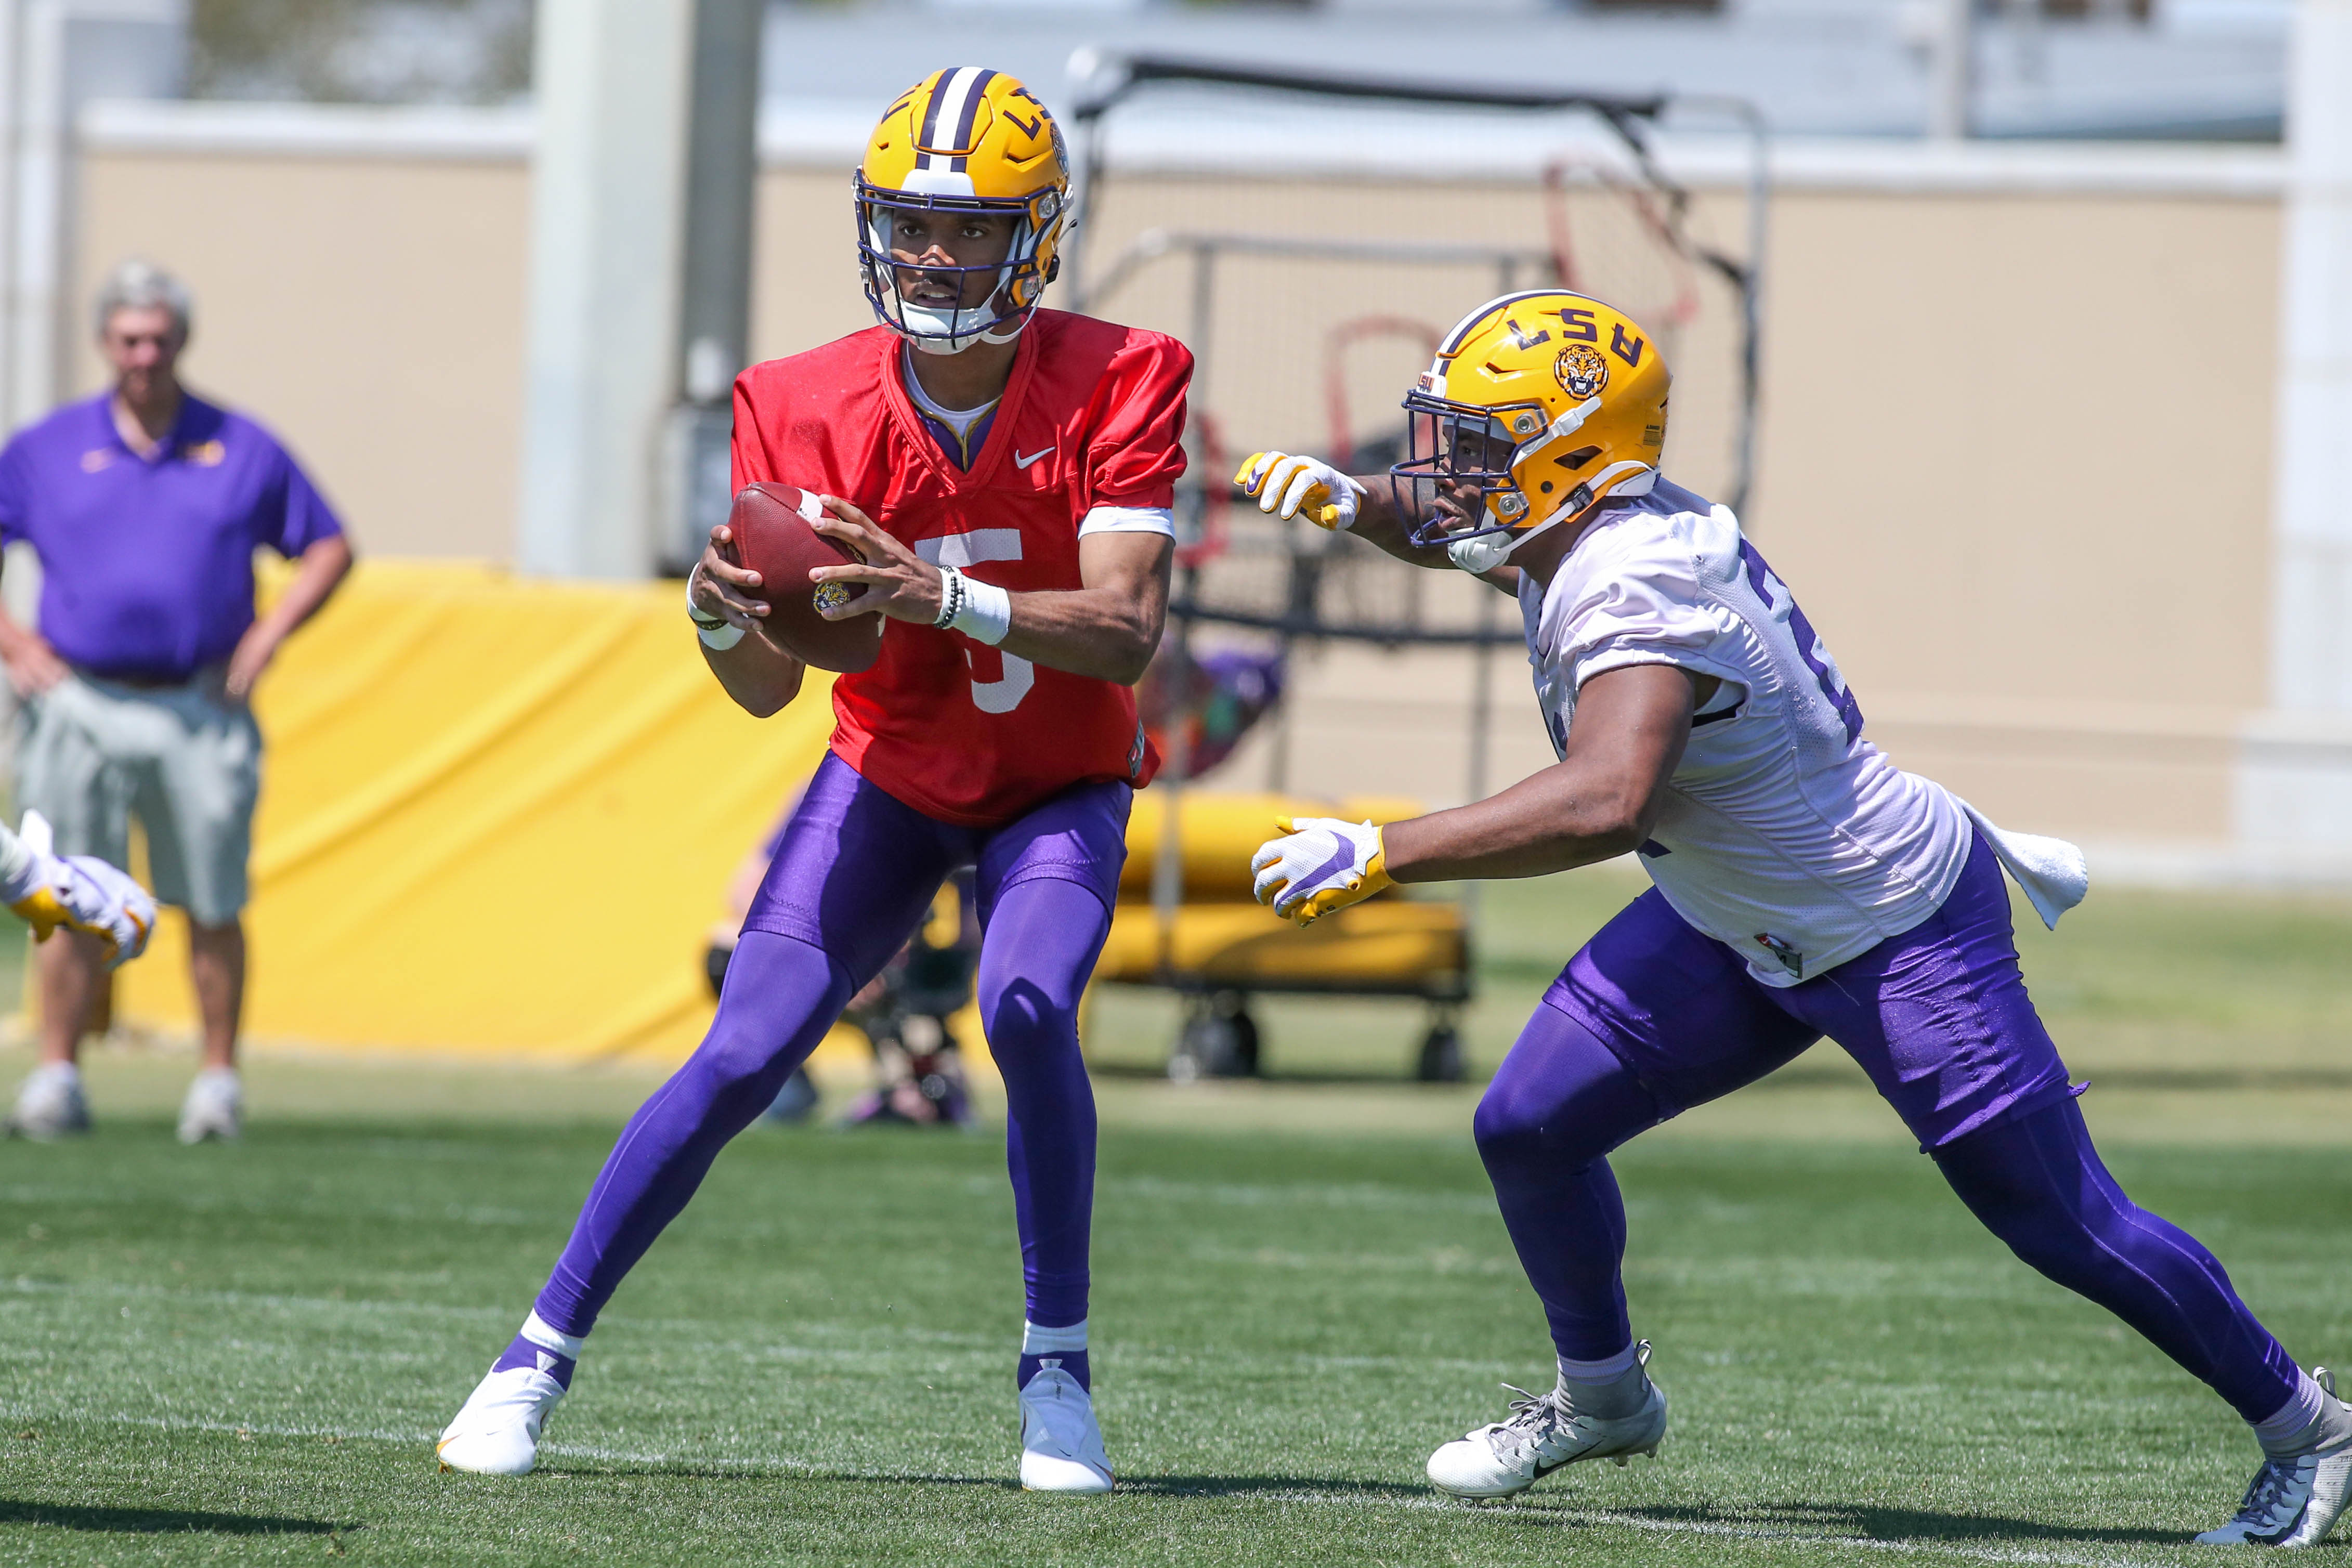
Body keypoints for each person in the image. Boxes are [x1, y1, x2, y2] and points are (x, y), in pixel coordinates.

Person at [1237, 289, 2351, 1548]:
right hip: (1735, 915)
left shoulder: (1635, 579)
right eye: (1442, 440)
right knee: (1531, 1125)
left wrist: (1381, 849)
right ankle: (1603, 1397)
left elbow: (1607, 798)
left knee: (2062, 1220)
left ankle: (2311, 1427)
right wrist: (1353, 500)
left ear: (1573, 460)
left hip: (1893, 927)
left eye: (1473, 446)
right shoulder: (1593, 516)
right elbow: (1459, 523)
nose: (1437, 473)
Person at [437, 68, 1189, 1492]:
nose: (930, 253)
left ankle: (1057, 1376)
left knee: (1025, 1009)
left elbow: (1125, 632)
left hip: (1057, 779)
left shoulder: (1125, 372)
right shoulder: (793, 401)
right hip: (893, 768)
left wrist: (933, 598)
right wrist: (721, 614)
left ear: (1035, 235)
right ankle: (531, 1355)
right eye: (908, 223)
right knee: (741, 1045)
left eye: (966, 229)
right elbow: (772, 685)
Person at [0, 260, 353, 1144]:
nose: (144, 356)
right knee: (67, 895)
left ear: (182, 341)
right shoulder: (48, 448)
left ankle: (217, 1082)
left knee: (213, 897)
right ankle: (56, 1073)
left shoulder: (238, 446)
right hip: (79, 696)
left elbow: (327, 546)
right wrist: (14, 642)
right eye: (128, 340)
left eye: (158, 339)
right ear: (103, 344)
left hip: (199, 703)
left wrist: (268, 636)